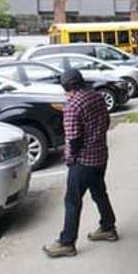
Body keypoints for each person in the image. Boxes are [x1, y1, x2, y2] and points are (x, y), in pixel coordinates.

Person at [43, 69, 118, 258]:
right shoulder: (97, 96)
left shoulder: (72, 106)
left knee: (72, 201)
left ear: (67, 87)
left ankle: (67, 243)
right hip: (100, 156)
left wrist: (70, 159)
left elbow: (74, 139)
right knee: (99, 192)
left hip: (83, 161)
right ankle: (108, 227)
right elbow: (107, 121)